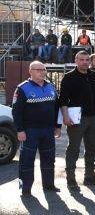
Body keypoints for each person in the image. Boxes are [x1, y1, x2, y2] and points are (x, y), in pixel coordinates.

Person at [12, 61, 61, 196]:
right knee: (27, 160)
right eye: (38, 69)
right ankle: (26, 188)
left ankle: (49, 185)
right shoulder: (22, 88)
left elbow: (57, 108)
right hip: (29, 131)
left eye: (43, 69)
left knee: (49, 158)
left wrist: (58, 126)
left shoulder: (51, 86)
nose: (42, 72)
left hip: (48, 130)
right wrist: (19, 130)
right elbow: (16, 111)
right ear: (30, 71)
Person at [59, 51, 95, 190]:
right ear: (76, 60)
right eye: (82, 59)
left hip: (93, 117)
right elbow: (63, 99)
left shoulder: (94, 76)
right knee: (73, 149)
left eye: (87, 60)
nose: (85, 62)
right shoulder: (69, 77)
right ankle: (71, 179)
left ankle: (90, 176)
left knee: (92, 147)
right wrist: (65, 117)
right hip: (76, 118)